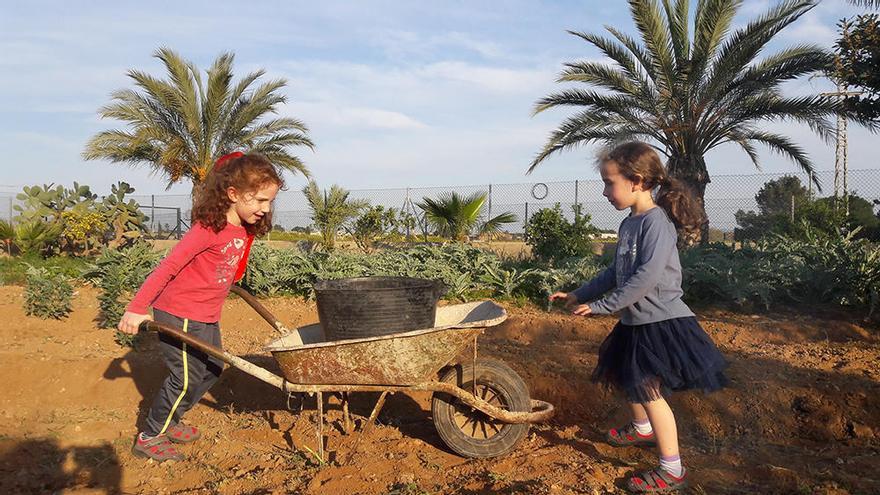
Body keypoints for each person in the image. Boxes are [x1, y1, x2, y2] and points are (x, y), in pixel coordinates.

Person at [549, 142, 727, 493]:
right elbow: (616, 272)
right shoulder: (629, 224)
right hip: (636, 320)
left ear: (637, 181)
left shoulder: (657, 224)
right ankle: (642, 429)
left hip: (660, 322)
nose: (604, 191)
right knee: (627, 375)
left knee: (648, 390)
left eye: (609, 182)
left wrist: (602, 306)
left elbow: (645, 278)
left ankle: (672, 469)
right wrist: (579, 294)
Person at [118, 152, 283, 462]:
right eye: (260, 200)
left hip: (206, 314)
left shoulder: (241, 230)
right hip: (179, 312)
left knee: (212, 369)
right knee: (186, 378)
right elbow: (167, 267)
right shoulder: (208, 229)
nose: (265, 208)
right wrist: (136, 307)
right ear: (233, 194)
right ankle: (150, 435)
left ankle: (172, 419)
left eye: (270, 201)